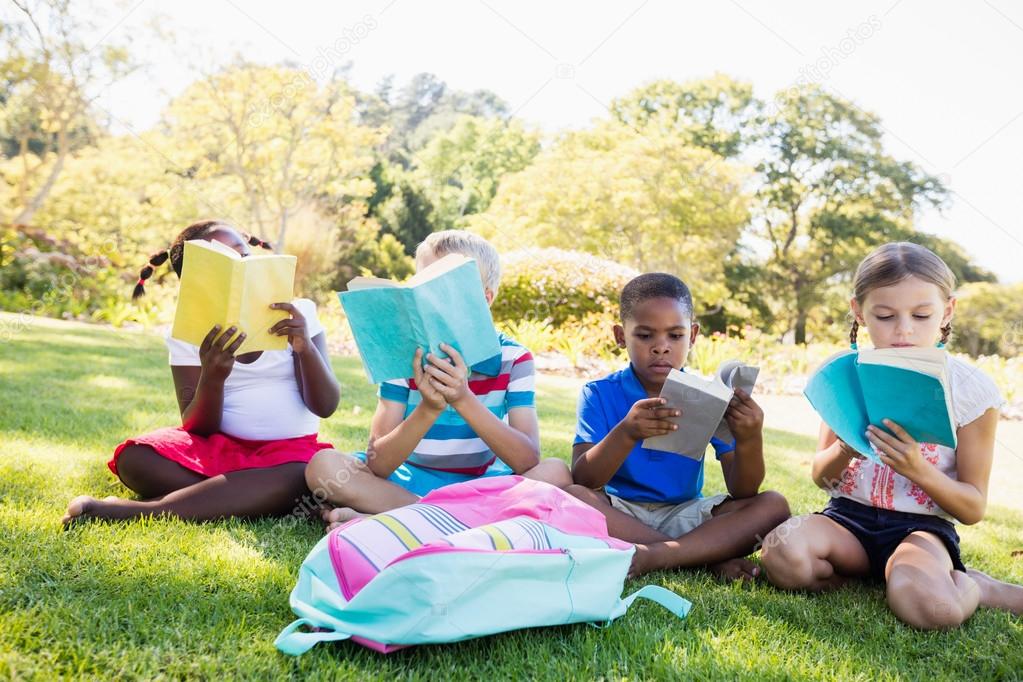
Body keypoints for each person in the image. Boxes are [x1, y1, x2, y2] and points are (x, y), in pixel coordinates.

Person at [760, 241, 1023, 629]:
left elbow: (972, 508)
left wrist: (918, 469)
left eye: (921, 315)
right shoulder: (845, 375)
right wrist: (845, 449)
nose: (903, 329)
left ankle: (974, 586)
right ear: (859, 312)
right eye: (884, 315)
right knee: (780, 553)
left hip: (921, 531)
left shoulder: (971, 391)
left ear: (947, 311)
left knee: (934, 611)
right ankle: (874, 577)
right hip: (846, 522)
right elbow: (821, 476)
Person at [62, 219, 339, 525]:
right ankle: (260, 498)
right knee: (135, 458)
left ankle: (143, 510)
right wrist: (212, 376)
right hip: (219, 449)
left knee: (303, 474)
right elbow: (198, 428)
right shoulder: (186, 333)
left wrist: (304, 348)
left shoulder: (299, 313)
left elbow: (326, 406)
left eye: (243, 255)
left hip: (290, 456)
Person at [307, 230, 571, 528]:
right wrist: (429, 409)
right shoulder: (402, 356)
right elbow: (379, 464)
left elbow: (527, 460)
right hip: (406, 484)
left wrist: (463, 399)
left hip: (481, 485)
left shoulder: (514, 359)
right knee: (324, 467)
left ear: (484, 299)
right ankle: (452, 520)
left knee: (555, 472)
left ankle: (400, 519)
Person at [566, 272, 790, 579]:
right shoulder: (599, 393)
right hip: (619, 512)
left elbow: (743, 490)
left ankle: (659, 555)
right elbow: (583, 478)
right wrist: (627, 432)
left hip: (684, 514)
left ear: (693, 335)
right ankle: (701, 557)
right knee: (573, 496)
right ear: (620, 336)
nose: (661, 347)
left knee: (774, 505)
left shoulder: (708, 397)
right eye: (645, 336)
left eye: (675, 336)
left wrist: (750, 439)